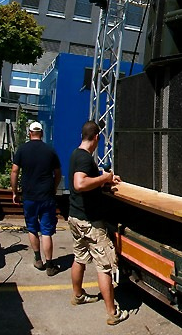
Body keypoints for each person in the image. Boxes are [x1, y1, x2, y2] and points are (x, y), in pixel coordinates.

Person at [68, 121, 128, 325]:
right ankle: (113, 313)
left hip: (75, 218)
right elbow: (80, 183)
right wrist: (103, 179)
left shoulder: (76, 154)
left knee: (80, 257)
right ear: (95, 138)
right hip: (90, 222)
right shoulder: (85, 158)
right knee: (104, 266)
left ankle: (78, 295)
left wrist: (106, 178)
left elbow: (88, 179)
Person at [11, 121, 62, 276]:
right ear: (42, 133)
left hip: (29, 196)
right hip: (47, 195)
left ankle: (38, 259)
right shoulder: (50, 151)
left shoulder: (22, 150)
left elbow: (14, 172)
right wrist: (53, 187)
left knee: (32, 227)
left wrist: (15, 192)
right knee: (46, 231)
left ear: (29, 133)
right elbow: (58, 173)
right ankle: (50, 265)